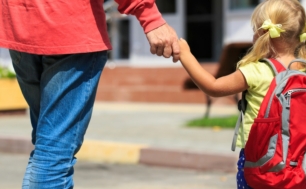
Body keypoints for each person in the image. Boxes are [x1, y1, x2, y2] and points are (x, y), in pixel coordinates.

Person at [0, 0, 179, 188]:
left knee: (46, 150)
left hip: (20, 26)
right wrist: (150, 17)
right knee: (53, 154)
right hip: (68, 28)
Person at [178, 0, 306, 188]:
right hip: (295, 163)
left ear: (264, 33)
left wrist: (186, 55)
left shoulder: (257, 70)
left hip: (259, 161)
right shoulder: (305, 71)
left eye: (255, 29)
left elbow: (213, 87)